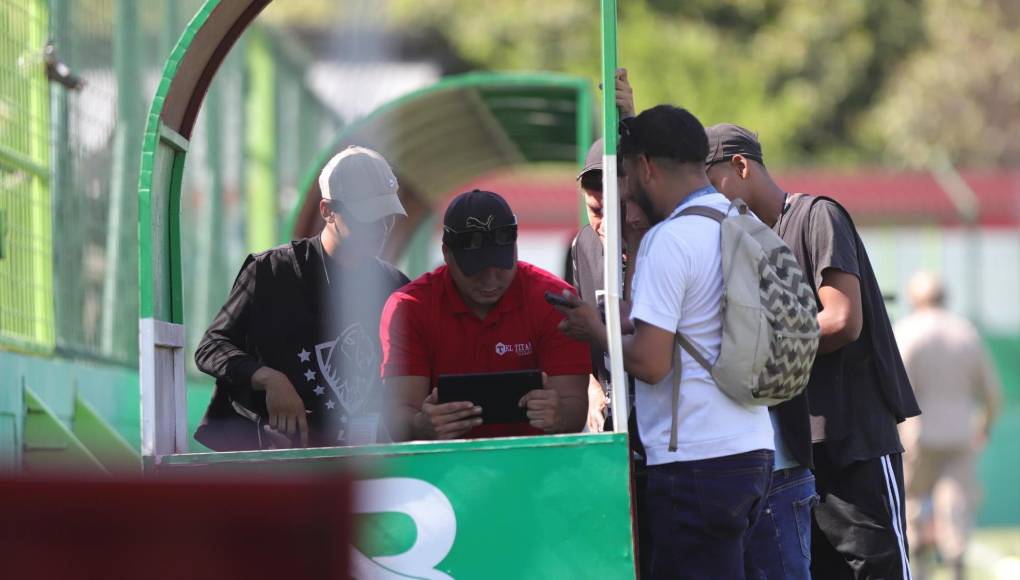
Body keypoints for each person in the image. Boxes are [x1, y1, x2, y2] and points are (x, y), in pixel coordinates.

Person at [558, 105, 775, 579]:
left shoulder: (670, 240)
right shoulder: (739, 221)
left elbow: (652, 363)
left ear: (646, 167)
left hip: (694, 460)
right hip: (753, 447)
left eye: (628, 175)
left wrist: (596, 331)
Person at [704, 123, 921, 580]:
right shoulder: (740, 242)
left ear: (740, 166)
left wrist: (759, 352)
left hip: (854, 439)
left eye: (710, 181)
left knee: (877, 569)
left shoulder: (816, 215)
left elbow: (842, 319)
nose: (705, 197)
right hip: (797, 451)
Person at [194, 145, 410, 450]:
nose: (382, 227)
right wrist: (268, 378)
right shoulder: (271, 271)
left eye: (387, 216)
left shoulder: (395, 287)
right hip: (273, 460)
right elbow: (211, 346)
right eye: (367, 216)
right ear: (327, 211)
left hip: (357, 461)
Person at [380, 189, 589, 441]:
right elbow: (397, 414)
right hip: (445, 460)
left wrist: (560, 415)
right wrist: (420, 425)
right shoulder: (410, 307)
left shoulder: (554, 302)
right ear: (446, 253)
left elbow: (574, 407)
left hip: (536, 459)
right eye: (475, 268)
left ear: (515, 248)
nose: (490, 280)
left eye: (501, 266)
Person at [895, 271, 1002, 580]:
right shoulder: (965, 333)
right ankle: (955, 565)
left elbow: (897, 387)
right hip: (959, 432)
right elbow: (991, 392)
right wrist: (984, 425)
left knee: (912, 503)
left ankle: (919, 567)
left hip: (916, 434)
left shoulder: (906, 331)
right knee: (955, 504)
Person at [569, 69, 642, 433]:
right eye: (595, 210)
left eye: (615, 209)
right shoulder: (582, 246)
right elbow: (575, 334)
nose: (605, 224)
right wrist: (590, 385)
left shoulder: (661, 238)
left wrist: (630, 118)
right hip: (614, 417)